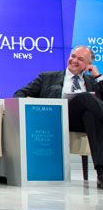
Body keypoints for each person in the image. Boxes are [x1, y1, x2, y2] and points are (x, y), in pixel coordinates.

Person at [14, 45, 103, 189]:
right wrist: (35, 112)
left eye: (80, 59)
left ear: (88, 64)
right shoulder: (48, 77)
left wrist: (98, 76)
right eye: (73, 56)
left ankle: (102, 175)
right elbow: (19, 93)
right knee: (85, 97)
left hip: (80, 122)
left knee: (90, 116)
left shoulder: (93, 81)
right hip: (56, 119)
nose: (74, 60)